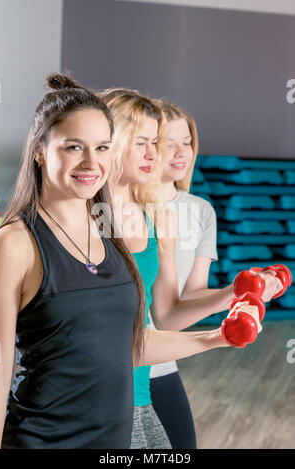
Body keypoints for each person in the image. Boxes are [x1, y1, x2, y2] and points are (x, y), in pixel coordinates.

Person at [0, 74, 244, 450]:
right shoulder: (15, 242)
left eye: (103, 147)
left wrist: (217, 337)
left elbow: (127, 345)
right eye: (74, 147)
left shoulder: (112, 237)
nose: (91, 162)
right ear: (40, 150)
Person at [99, 88, 282, 449]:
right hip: (94, 394)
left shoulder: (160, 215)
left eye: (157, 142)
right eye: (146, 142)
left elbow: (162, 317)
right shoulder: (83, 217)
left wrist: (239, 292)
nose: (158, 153)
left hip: (143, 381)